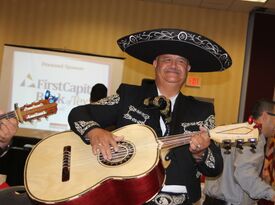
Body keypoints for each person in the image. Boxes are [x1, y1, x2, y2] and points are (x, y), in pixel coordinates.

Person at [68, 28, 232, 205]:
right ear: (155, 63)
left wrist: (200, 153)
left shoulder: (202, 111)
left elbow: (215, 168)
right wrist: (94, 131)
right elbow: (78, 113)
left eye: (181, 61)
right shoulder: (128, 96)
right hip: (129, 196)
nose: (173, 66)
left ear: (188, 68)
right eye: (167, 59)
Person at [203, 99, 275, 205]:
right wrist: (271, 194)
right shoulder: (254, 137)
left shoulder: (233, 130)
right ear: (264, 116)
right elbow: (244, 173)